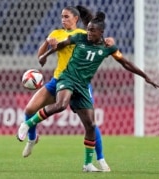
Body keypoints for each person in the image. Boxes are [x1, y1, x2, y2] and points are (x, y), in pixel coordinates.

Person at [17, 12, 159, 172]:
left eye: (93, 31)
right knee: (61, 104)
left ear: (101, 33)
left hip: (83, 86)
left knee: (91, 125)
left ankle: (88, 164)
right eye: (89, 29)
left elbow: (126, 63)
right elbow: (62, 44)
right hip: (67, 78)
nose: (89, 33)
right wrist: (45, 55)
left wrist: (145, 76)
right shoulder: (81, 38)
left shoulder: (108, 48)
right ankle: (27, 124)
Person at [19, 6, 112, 172]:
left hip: (80, 83)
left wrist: (109, 41)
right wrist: (48, 44)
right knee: (29, 109)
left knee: (91, 124)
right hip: (58, 80)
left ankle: (100, 159)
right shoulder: (56, 34)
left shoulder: (84, 35)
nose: (63, 19)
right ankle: (32, 139)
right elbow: (40, 57)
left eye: (67, 16)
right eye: (62, 16)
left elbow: (102, 42)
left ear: (76, 19)